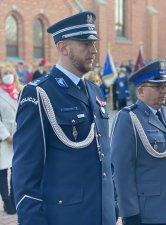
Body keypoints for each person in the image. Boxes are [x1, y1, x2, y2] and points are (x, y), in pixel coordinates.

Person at [12, 11, 115, 225]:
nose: (93, 50)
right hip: (65, 216)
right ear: (63, 48)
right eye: (85, 44)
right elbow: (26, 169)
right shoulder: (39, 93)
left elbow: (104, 152)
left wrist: (113, 203)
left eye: (94, 43)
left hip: (102, 214)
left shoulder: (95, 92)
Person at [111, 60, 166, 225]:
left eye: (165, 86)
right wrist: (129, 211)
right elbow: (121, 170)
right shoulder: (128, 118)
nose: (164, 91)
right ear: (140, 91)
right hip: (145, 210)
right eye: (157, 87)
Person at [0, 63, 22, 215]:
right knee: (2, 171)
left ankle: (15, 199)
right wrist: (6, 135)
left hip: (19, 134)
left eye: (9, 72)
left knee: (17, 170)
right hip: (4, 137)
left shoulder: (20, 91)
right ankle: (7, 202)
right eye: (4, 73)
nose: (7, 75)